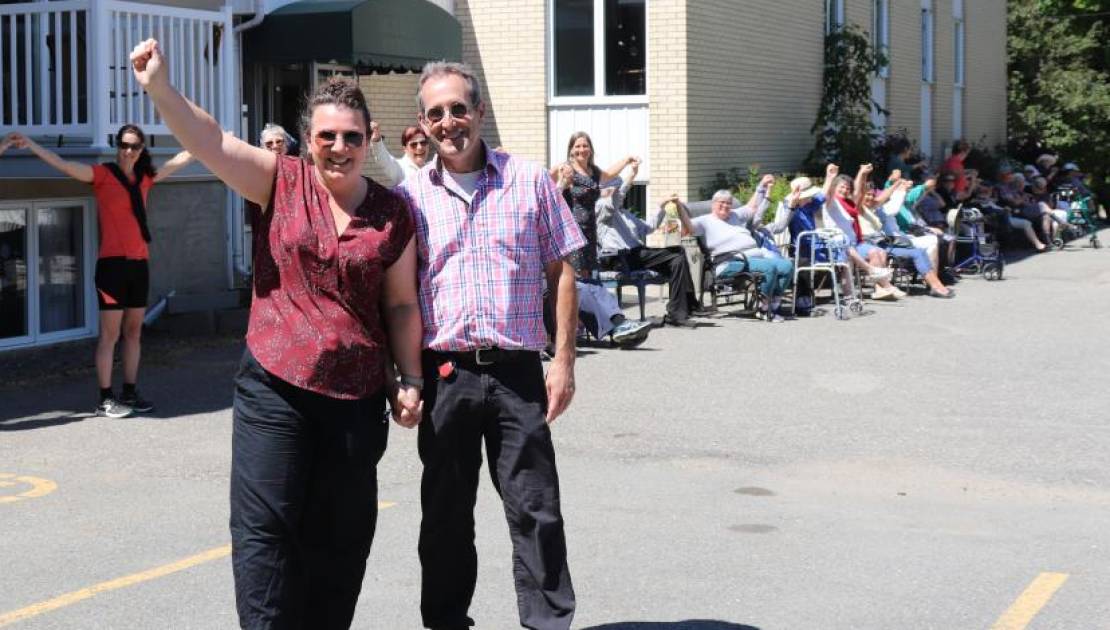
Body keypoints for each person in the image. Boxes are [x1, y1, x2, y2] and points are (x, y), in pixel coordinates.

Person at [129, 38, 423, 628]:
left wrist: (410, 377)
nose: (338, 148)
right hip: (275, 391)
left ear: (370, 140)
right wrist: (161, 87)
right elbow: (211, 141)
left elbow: (400, 306)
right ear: (308, 139)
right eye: (326, 137)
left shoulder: (393, 212)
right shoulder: (279, 181)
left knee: (341, 543)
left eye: (351, 137)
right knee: (265, 534)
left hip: (355, 399)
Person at [395, 61, 581, 630]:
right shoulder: (410, 198)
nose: (448, 122)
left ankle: (547, 623)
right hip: (446, 373)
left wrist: (565, 363)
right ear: (423, 125)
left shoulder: (529, 181)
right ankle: (447, 621)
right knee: (446, 515)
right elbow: (399, 298)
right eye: (435, 113)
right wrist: (405, 377)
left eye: (458, 109)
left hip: (517, 372)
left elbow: (563, 272)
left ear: (478, 111)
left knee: (536, 510)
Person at [5, 127, 192, 417]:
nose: (128, 151)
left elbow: (180, 159)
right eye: (123, 145)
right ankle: (105, 398)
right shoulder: (102, 175)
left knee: (133, 332)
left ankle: (129, 392)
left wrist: (214, 140)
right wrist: (31, 145)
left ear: (142, 149)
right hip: (112, 266)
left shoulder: (145, 179)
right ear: (117, 146)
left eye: (134, 146)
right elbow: (64, 165)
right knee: (110, 335)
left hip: (139, 265)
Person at [595, 164, 700, 327]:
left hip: (636, 255)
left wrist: (662, 207)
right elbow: (614, 199)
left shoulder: (625, 213)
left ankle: (680, 311)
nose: (618, 193)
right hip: (619, 257)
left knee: (677, 259)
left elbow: (648, 228)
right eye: (613, 189)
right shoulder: (602, 209)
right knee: (677, 255)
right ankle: (686, 307)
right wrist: (630, 177)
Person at [678, 177, 795, 321]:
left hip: (755, 255)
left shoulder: (734, 215)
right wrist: (679, 207)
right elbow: (687, 228)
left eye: (728, 203)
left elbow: (752, 207)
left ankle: (773, 305)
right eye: (722, 202)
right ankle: (764, 309)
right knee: (769, 267)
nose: (725, 206)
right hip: (730, 260)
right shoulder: (704, 221)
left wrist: (761, 186)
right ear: (713, 204)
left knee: (786, 266)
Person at [822, 164, 922, 299]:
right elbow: (824, 195)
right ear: (834, 187)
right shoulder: (831, 202)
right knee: (874, 252)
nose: (845, 190)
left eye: (847, 188)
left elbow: (858, 191)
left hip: (855, 242)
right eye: (841, 187)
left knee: (881, 252)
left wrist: (863, 174)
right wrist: (830, 177)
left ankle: (881, 288)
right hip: (842, 244)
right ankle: (885, 286)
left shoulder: (848, 202)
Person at [551, 131, 637, 275]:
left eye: (585, 146)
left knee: (588, 274)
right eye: (577, 146)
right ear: (571, 150)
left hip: (590, 231)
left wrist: (626, 160)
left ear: (590, 149)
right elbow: (547, 180)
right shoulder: (566, 169)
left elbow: (608, 175)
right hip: (572, 232)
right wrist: (561, 177)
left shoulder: (594, 171)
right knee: (576, 276)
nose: (581, 149)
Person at [371, 122, 429, 186]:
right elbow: (384, 159)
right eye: (414, 144)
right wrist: (377, 141)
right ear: (405, 149)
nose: (420, 147)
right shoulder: (400, 168)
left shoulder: (432, 168)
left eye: (423, 143)